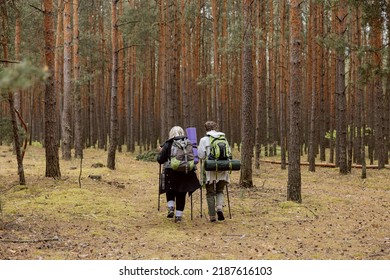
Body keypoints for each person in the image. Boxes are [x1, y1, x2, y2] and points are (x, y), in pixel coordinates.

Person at [157, 126, 201, 223]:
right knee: (182, 193)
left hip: (171, 171)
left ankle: (171, 207)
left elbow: (160, 160)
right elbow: (194, 158)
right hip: (186, 171)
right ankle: (178, 217)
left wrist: (160, 153)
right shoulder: (188, 142)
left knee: (170, 189)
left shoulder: (168, 143)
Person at [198, 121, 230, 222]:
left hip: (210, 169)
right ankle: (219, 208)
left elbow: (201, 156)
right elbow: (229, 153)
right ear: (216, 127)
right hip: (223, 168)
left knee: (210, 193)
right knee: (220, 190)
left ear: (205, 128)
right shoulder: (223, 138)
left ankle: (212, 216)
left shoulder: (203, 140)